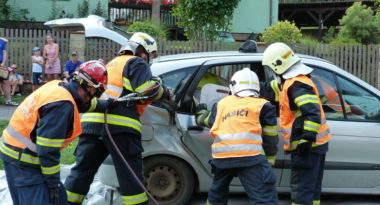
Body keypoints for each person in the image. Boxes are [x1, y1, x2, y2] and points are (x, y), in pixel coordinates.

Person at [65, 32, 171, 205]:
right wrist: (165, 92)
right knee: (131, 179)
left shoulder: (111, 64)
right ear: (142, 51)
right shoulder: (136, 62)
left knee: (81, 174)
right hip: (120, 128)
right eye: (149, 54)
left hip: (91, 125)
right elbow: (145, 90)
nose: (148, 59)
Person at [0, 60, 109, 205]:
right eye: (96, 94)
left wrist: (108, 104)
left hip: (15, 152)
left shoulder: (58, 86)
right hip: (24, 162)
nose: (94, 98)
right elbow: (47, 150)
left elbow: (84, 104)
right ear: (92, 89)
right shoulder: (62, 106)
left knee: (61, 200)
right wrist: (54, 185)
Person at [196, 68, 279, 205]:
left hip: (222, 159)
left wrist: (201, 112)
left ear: (233, 86)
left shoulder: (221, 104)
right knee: (263, 197)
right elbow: (271, 138)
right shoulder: (263, 106)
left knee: (216, 195)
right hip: (250, 158)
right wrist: (269, 160)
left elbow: (207, 121)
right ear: (257, 87)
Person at [261, 42, 331, 205]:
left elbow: (312, 113)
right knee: (312, 188)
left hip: (307, 146)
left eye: (271, 68)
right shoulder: (296, 81)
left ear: (278, 65)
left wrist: (306, 141)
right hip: (317, 144)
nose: (271, 72)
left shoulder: (296, 85)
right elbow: (272, 88)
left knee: (302, 189)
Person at [0, 37, 18, 106]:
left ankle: (8, 100)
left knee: (6, 82)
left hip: (1, 65)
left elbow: (4, 53)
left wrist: (3, 63)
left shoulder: (2, 42)